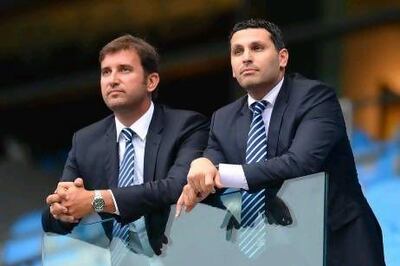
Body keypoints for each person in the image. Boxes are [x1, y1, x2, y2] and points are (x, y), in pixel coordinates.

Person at [177, 18, 385, 265]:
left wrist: (221, 175)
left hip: (337, 243)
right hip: (277, 251)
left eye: (257, 48)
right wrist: (201, 163)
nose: (246, 57)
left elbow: (301, 164)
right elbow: (212, 162)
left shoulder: (315, 98)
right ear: (232, 68)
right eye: (237, 51)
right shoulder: (223, 119)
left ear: (282, 58)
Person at [42, 34, 209, 259]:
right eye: (106, 72)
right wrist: (61, 211)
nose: (112, 79)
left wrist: (96, 200)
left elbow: (174, 188)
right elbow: (55, 218)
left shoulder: (186, 126)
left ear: (151, 81)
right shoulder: (85, 140)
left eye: (124, 70)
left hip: (182, 257)